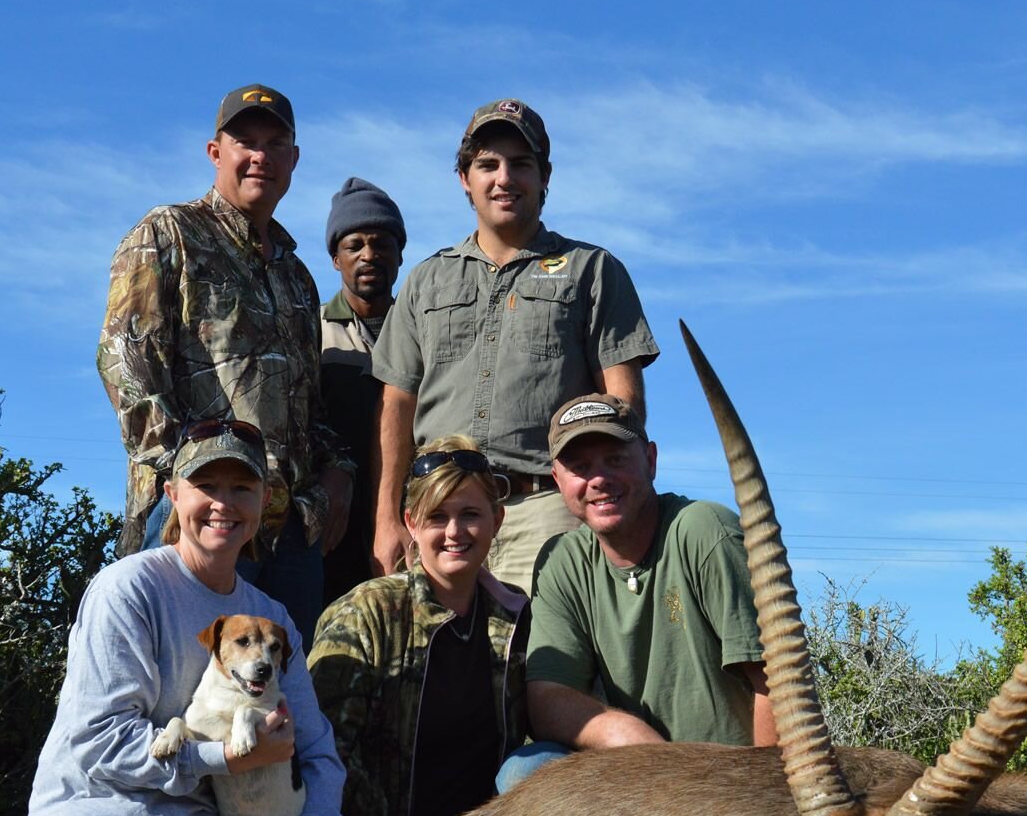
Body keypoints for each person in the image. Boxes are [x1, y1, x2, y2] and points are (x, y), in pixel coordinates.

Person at [0, 420, 361, 816]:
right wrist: (225, 756)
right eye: (205, 484)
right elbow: (99, 742)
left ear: (265, 501)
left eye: (242, 489)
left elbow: (318, 754)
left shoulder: (270, 621)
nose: (223, 503)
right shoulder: (128, 590)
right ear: (172, 494)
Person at [369, 98, 659, 595]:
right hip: (439, 514)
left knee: (547, 665)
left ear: (545, 176)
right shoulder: (425, 280)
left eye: (520, 164)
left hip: (546, 513)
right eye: (487, 164)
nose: (504, 178)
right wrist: (387, 518)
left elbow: (624, 407)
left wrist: (607, 509)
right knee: (435, 664)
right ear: (464, 178)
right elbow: (396, 405)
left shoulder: (592, 270)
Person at [98, 82, 355, 640]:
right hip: (194, 523)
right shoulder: (169, 233)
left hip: (288, 534)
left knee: (275, 703)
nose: (259, 155)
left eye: (275, 142)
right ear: (216, 152)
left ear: (293, 159)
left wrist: (337, 473)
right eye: (245, 141)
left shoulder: (298, 277)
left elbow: (310, 406)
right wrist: (199, 484)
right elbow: (126, 367)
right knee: (179, 695)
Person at [307, 435, 530, 816]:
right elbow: (324, 753)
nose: (455, 532)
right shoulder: (367, 612)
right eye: (437, 517)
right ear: (411, 523)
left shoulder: (519, 619)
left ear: (497, 521)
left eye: (471, 514)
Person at [526, 394, 777, 750]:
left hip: (726, 784)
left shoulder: (705, 531)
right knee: (525, 768)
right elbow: (547, 697)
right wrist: (627, 738)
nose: (598, 479)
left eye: (615, 460)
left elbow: (778, 682)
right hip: (641, 777)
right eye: (579, 467)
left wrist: (767, 791)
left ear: (650, 460)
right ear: (557, 480)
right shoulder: (563, 560)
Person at [320, 176, 407, 604]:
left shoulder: (422, 333)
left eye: (382, 243)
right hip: (329, 527)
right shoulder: (308, 332)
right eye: (354, 245)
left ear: (400, 254)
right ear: (336, 258)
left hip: (405, 521)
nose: (369, 255)